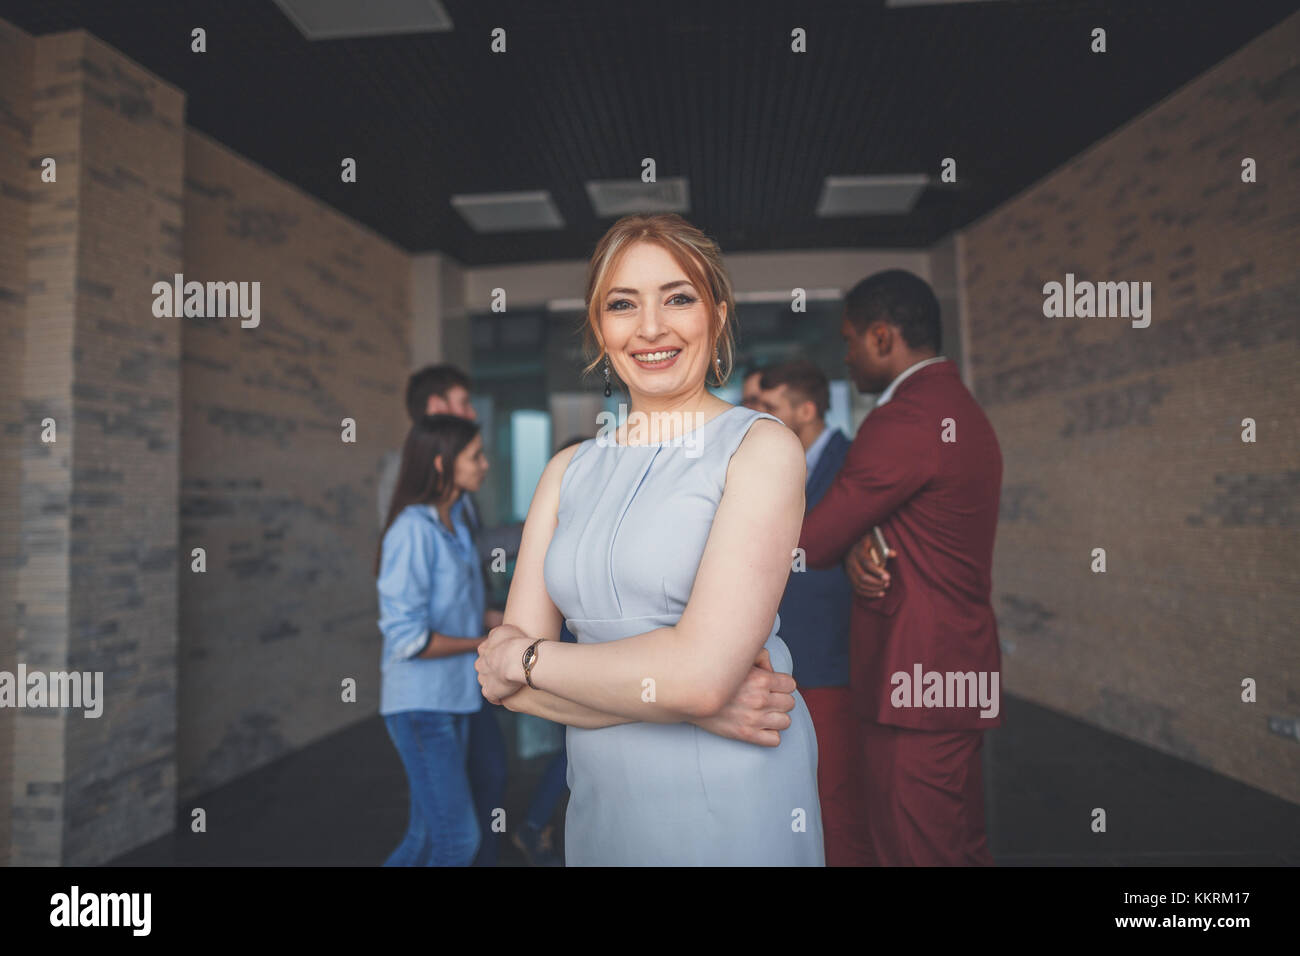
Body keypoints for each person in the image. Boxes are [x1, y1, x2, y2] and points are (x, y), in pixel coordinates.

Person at [475, 213, 823, 866]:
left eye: (679, 298)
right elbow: (504, 689)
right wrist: (691, 704)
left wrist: (524, 661)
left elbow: (517, 668)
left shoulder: (760, 448)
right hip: (603, 799)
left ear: (716, 316)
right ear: (600, 329)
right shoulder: (566, 472)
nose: (652, 327)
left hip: (732, 796)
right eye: (623, 305)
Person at [798, 269, 1003, 866]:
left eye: (850, 340)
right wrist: (863, 538)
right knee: (957, 843)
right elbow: (913, 522)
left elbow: (812, 540)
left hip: (914, 676)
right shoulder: (956, 408)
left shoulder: (904, 419)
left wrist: (843, 536)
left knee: (916, 852)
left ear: (883, 337)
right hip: (951, 668)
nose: (847, 356)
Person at [378, 365, 509, 866]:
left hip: (451, 699)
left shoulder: (451, 523)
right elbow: (407, 639)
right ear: (442, 462)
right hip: (421, 708)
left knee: (426, 839)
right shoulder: (411, 530)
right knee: (457, 842)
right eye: (475, 456)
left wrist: (492, 620)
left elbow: (463, 606)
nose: (485, 465)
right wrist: (481, 640)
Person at [755, 359, 870, 866]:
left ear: (805, 409)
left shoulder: (855, 463)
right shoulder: (772, 464)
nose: (759, 415)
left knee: (835, 796)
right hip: (778, 659)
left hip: (829, 655)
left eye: (769, 407)